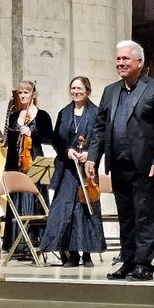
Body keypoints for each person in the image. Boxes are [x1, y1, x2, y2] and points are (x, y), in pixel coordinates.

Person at [86, 40, 154, 281]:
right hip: (119, 164)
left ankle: (144, 264)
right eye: (118, 59)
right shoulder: (110, 91)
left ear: (139, 62)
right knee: (126, 215)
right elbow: (100, 128)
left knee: (144, 215)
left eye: (125, 59)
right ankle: (128, 260)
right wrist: (93, 157)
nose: (120, 63)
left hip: (146, 165)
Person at [41, 76, 106, 268]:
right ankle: (70, 254)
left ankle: (86, 254)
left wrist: (90, 155)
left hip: (87, 169)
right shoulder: (64, 112)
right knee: (65, 210)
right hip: (67, 168)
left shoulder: (96, 112)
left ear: (87, 90)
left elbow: (99, 139)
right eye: (73, 88)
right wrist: (67, 150)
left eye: (79, 88)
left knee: (85, 210)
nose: (76, 92)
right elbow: (57, 140)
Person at [1, 80, 54, 255]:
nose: (22, 96)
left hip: (34, 161)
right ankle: (17, 245)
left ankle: (35, 243)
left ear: (33, 94)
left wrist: (32, 133)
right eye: (20, 93)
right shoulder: (14, 116)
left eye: (26, 92)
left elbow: (49, 139)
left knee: (35, 203)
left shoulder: (42, 115)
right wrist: (8, 169)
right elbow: (10, 143)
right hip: (16, 164)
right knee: (17, 204)